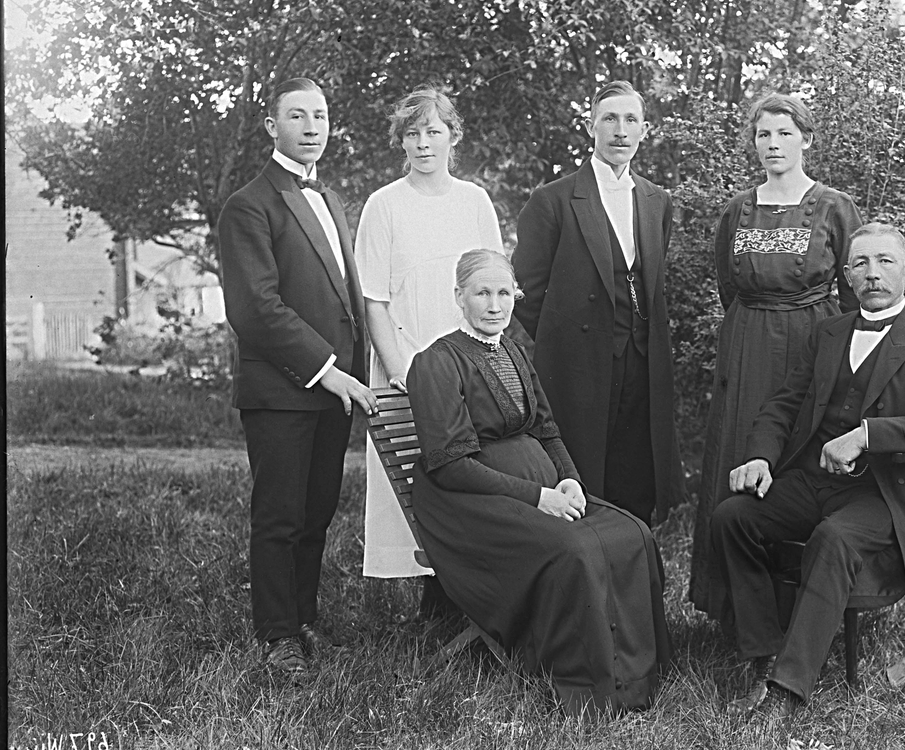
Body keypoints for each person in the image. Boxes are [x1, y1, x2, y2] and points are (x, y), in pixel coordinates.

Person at [711, 223, 905, 720]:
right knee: (733, 517)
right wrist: (761, 457)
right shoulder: (828, 332)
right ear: (847, 275)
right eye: (862, 264)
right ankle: (765, 653)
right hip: (813, 482)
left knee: (833, 538)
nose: (873, 274)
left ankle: (787, 692)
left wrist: (869, 434)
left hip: (884, 496)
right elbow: (783, 404)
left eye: (886, 262)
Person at [405, 249, 672, 715]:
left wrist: (570, 481)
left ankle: (635, 674)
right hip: (466, 504)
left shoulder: (513, 351)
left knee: (634, 533)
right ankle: (586, 684)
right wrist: (537, 497)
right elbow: (450, 466)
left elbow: (545, 428)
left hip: (542, 491)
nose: (494, 305)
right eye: (482, 293)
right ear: (458, 297)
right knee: (576, 550)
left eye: (504, 293)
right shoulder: (437, 362)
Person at [217, 77, 378, 676]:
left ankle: (303, 619)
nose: (313, 126)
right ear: (271, 125)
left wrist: (351, 372)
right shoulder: (248, 205)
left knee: (316, 512)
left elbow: (344, 298)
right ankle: (277, 635)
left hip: (332, 390)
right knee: (281, 515)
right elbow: (256, 309)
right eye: (298, 115)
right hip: (284, 390)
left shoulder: (332, 199)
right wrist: (330, 372)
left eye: (321, 115)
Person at [689, 92, 862, 619]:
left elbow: (857, 290)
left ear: (806, 139)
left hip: (814, 341)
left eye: (785, 133)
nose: (773, 144)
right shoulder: (737, 209)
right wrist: (753, 329)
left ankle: (801, 606)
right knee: (742, 452)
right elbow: (728, 283)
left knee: (799, 459)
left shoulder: (833, 206)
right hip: (746, 348)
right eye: (764, 134)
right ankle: (738, 605)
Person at [511, 80, 684, 528]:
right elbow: (526, 291)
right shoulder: (552, 200)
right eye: (609, 118)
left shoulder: (655, 200)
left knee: (636, 471)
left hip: (643, 361)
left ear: (645, 130)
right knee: (585, 474)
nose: (620, 130)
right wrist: (568, 338)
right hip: (579, 362)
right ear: (591, 127)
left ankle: (635, 567)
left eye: (630, 120)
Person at [354, 88, 503, 584]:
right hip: (408, 365)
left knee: (473, 473)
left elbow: (492, 288)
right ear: (402, 142)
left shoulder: (475, 201)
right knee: (417, 481)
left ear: (452, 137)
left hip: (470, 366)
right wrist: (403, 372)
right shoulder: (384, 206)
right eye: (413, 134)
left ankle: (471, 594)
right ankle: (429, 600)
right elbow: (372, 298)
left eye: (433, 131)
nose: (423, 143)